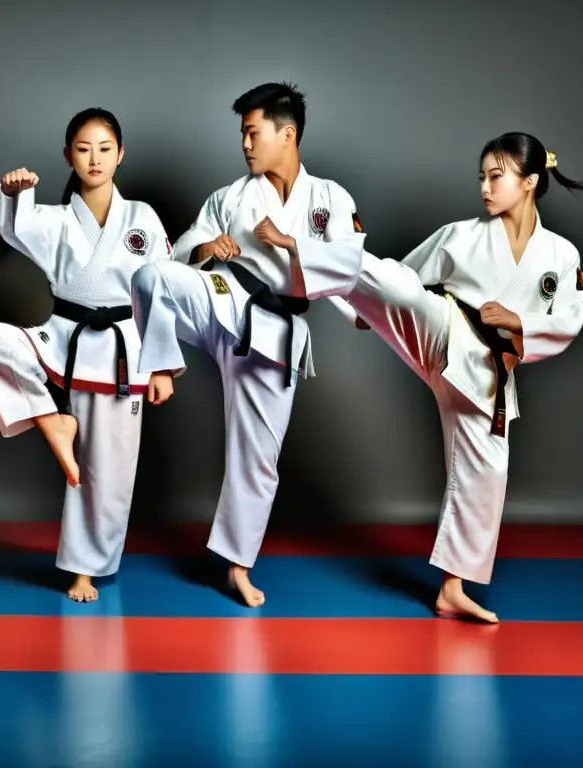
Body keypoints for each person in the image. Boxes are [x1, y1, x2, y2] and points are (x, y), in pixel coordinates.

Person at [328, 132, 583, 622]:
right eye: (482, 177)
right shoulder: (461, 235)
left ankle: (452, 588)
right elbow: (402, 277)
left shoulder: (561, 256)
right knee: (401, 288)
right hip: (440, 330)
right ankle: (315, 255)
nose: (485, 188)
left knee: (489, 472)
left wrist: (517, 322)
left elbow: (570, 319)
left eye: (497, 176)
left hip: (485, 372)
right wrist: (368, 309)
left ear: (530, 182)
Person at [128, 82, 367, 607]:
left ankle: (237, 565)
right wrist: (205, 249)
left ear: (288, 133)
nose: (245, 144)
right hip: (226, 297)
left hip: (275, 331)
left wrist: (294, 247)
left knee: (258, 457)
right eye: (241, 134)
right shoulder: (231, 196)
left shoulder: (331, 199)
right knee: (151, 278)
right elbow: (184, 246)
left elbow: (352, 268)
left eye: (253, 133)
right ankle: (162, 368)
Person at [0, 109, 180, 602]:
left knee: (110, 469)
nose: (94, 158)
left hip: (125, 352)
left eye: (105, 148)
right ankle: (47, 417)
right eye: (83, 149)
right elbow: (15, 229)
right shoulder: (55, 219)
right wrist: (16, 192)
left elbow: (163, 292)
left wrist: (164, 365)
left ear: (120, 154)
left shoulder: (141, 217)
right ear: (68, 156)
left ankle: (86, 567)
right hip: (64, 339)